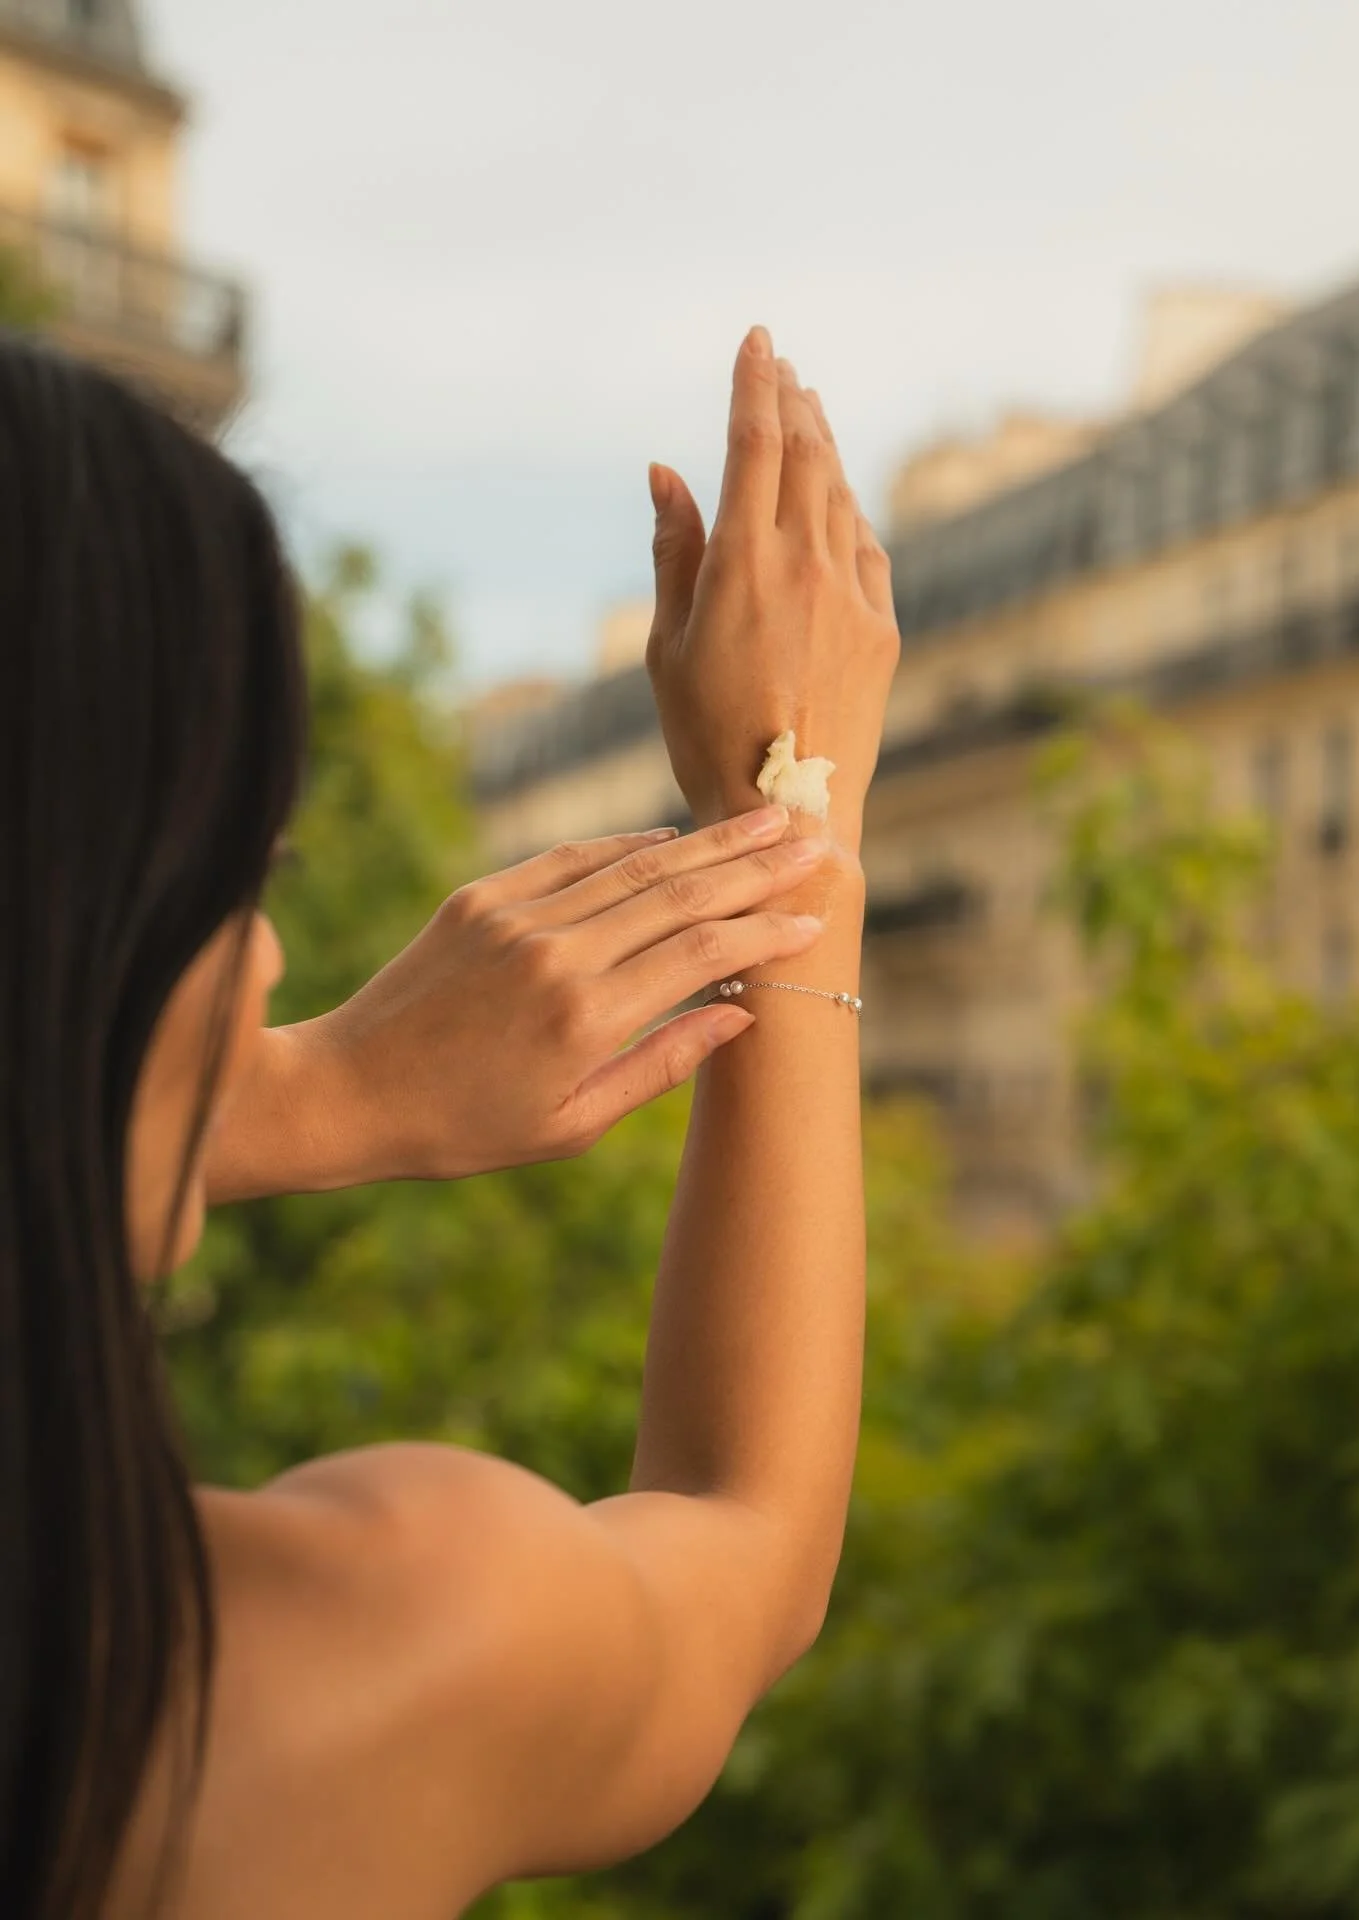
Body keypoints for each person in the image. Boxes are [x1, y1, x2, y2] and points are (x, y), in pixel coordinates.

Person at [0, 321, 899, 1920]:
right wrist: (798, 815)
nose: (267, 965)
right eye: (240, 878)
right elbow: (745, 1536)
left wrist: (310, 1094)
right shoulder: (282, 1680)